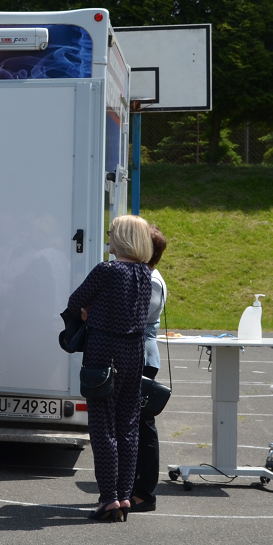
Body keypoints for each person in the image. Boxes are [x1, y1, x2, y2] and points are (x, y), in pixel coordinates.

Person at [65, 214, 153, 522]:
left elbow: (75, 301)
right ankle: (125, 495)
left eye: (111, 232)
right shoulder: (145, 273)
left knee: (102, 426)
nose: (108, 237)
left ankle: (109, 498)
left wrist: (90, 313)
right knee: (128, 425)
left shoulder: (107, 270)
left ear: (121, 238)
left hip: (104, 350)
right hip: (134, 351)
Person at [133, 225, 167, 513]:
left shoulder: (152, 280)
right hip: (139, 354)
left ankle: (145, 493)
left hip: (143, 356)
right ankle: (135, 489)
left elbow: (138, 319)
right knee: (137, 427)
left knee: (144, 428)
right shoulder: (143, 276)